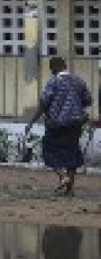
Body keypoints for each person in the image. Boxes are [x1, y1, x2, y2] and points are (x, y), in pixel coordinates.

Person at [26, 56, 92, 197]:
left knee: (48, 150)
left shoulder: (54, 82)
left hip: (57, 124)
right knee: (72, 153)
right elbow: (87, 101)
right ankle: (70, 189)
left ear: (53, 68)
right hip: (75, 124)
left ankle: (63, 177)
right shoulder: (79, 81)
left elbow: (43, 104)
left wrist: (32, 121)